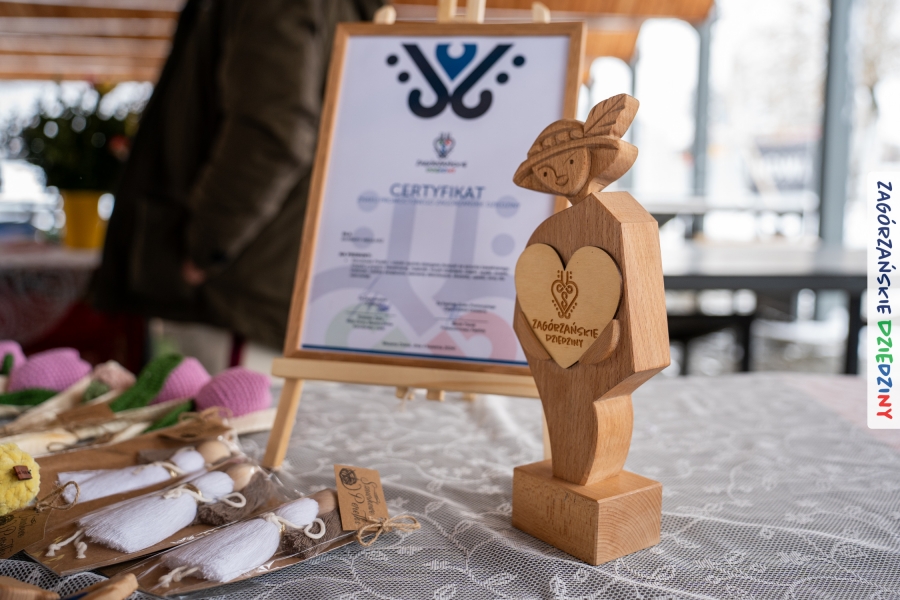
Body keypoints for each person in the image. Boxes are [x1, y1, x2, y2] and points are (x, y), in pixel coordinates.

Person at [92, 0, 385, 351]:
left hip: (230, 293)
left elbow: (273, 136)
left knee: (208, 391)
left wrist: (204, 249)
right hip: (266, 286)